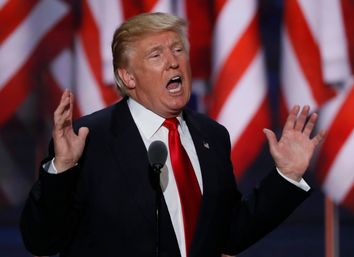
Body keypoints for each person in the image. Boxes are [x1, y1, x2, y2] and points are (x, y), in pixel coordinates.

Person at [20, 12, 325, 257]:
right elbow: (42, 241)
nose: (173, 61)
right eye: (156, 55)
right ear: (128, 77)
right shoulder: (89, 139)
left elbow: (229, 235)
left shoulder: (212, 135)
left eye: (178, 49)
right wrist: (61, 169)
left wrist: (285, 177)